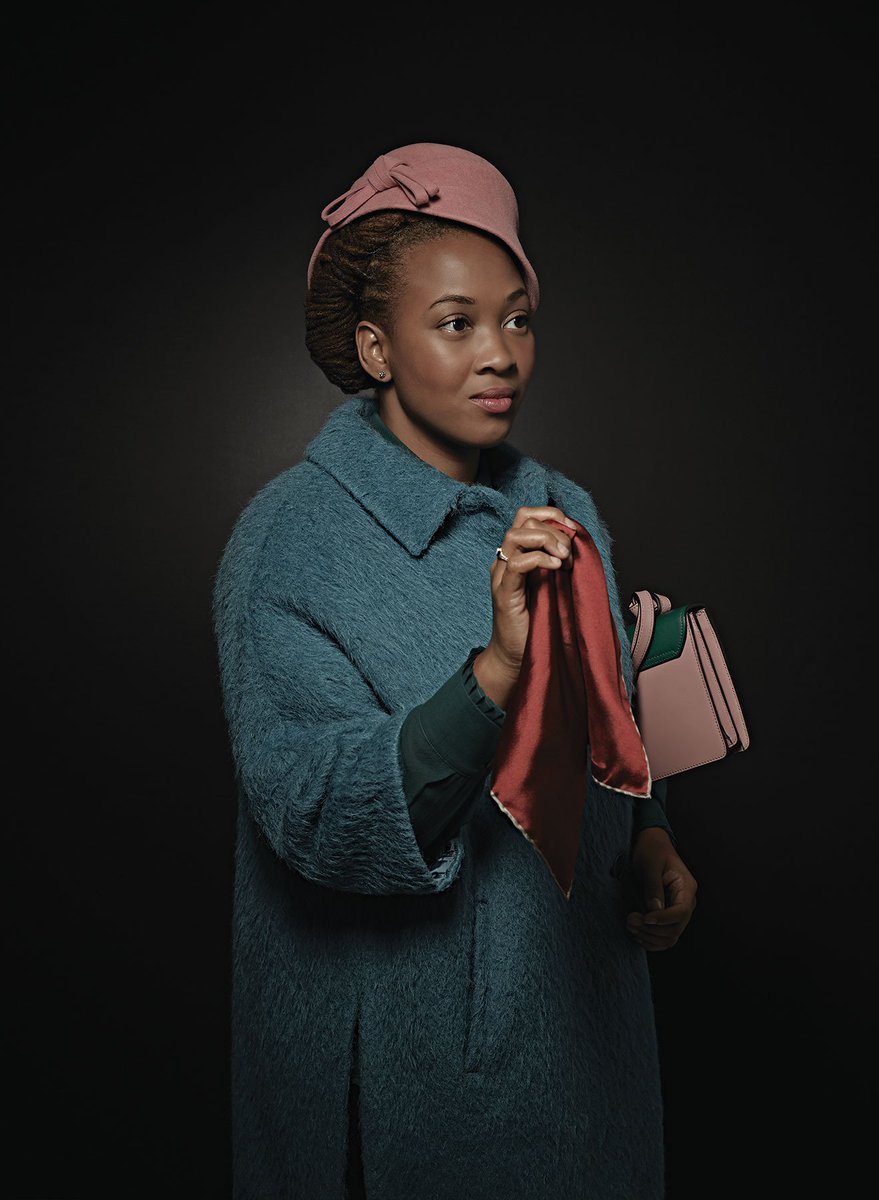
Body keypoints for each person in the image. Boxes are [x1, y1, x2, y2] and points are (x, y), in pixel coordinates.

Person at [212, 141, 698, 1200]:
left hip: (588, 1025)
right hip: (413, 1066)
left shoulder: (562, 507)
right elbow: (312, 810)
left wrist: (649, 834)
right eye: (456, 323)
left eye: (516, 319)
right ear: (376, 348)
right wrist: (492, 671)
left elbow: (606, 712)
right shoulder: (290, 542)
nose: (500, 355)